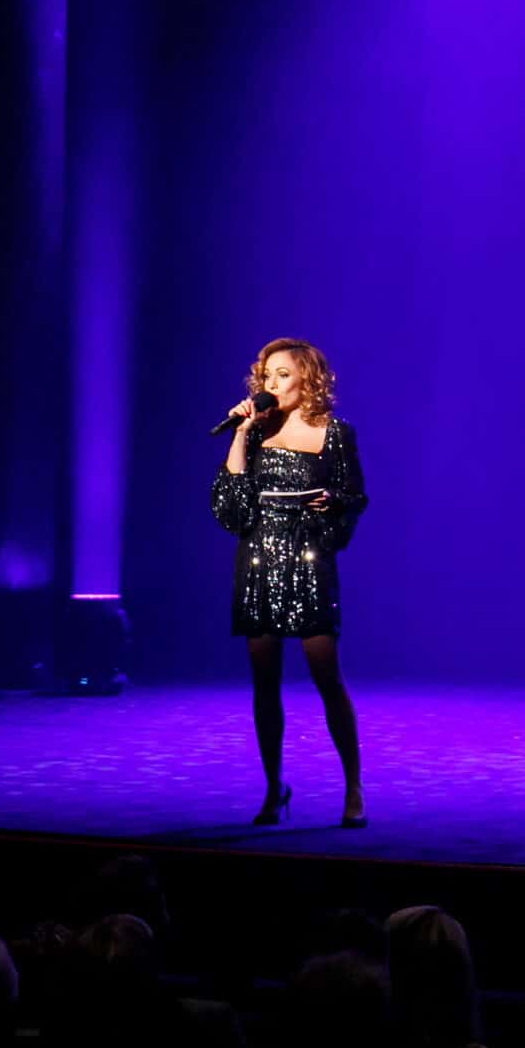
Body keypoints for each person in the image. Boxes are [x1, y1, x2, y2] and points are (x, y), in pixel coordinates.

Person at [214, 337, 371, 827]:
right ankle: (273, 787)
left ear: (308, 379)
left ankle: (353, 788)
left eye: (283, 374)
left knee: (327, 677)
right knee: (265, 682)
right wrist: (241, 432)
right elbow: (231, 505)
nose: (272, 384)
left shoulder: (335, 432)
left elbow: (355, 496)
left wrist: (333, 502)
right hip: (259, 557)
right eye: (267, 375)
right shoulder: (256, 432)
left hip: (308, 555)